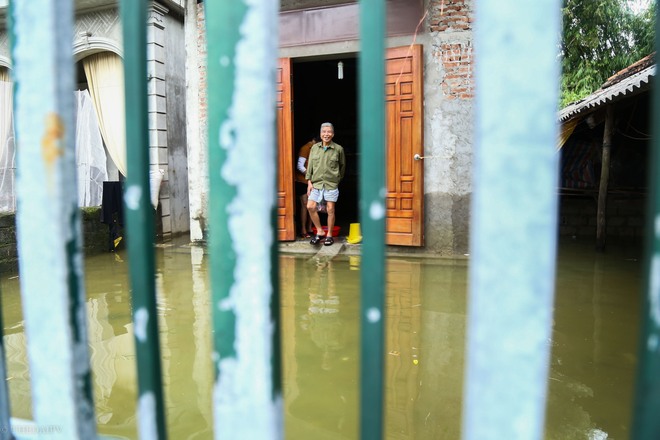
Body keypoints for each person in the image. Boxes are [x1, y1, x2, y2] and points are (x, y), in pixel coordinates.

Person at [306, 122, 346, 246]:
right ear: (320, 134)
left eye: (329, 132)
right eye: (324, 132)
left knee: (330, 209)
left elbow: (342, 167)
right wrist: (309, 182)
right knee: (310, 206)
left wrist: (336, 180)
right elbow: (310, 165)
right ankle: (319, 231)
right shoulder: (314, 148)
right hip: (316, 183)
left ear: (333, 134)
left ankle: (329, 235)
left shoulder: (338, 149)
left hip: (331, 184)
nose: (326, 134)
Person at [295, 135, 316, 238]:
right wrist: (309, 176)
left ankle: (310, 228)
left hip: (312, 181)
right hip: (302, 181)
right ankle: (303, 229)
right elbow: (299, 166)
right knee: (305, 205)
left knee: (312, 205)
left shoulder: (314, 148)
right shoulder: (305, 148)